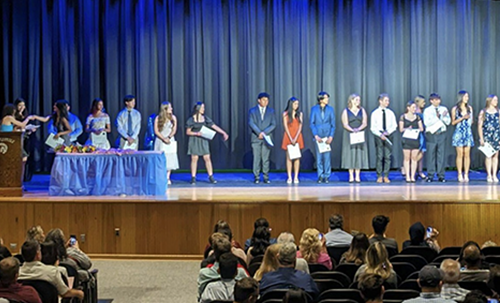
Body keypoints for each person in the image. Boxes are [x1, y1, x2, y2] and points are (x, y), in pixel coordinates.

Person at [18, 240, 84, 300]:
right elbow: (64, 293)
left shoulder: (17, 273)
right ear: (38, 254)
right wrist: (79, 293)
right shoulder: (52, 272)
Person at [186, 101, 229, 184]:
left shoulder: (205, 118)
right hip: (194, 140)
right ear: (198, 109)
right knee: (194, 159)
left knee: (207, 158)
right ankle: (193, 177)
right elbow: (188, 132)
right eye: (202, 108)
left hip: (203, 140)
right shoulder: (191, 119)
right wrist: (196, 133)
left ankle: (211, 176)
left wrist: (223, 133)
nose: (203, 109)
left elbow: (214, 126)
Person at [248, 92, 277, 184]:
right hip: (256, 138)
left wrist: (264, 133)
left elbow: (273, 124)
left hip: (266, 138)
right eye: (264, 100)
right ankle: (256, 177)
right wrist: (259, 133)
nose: (266, 102)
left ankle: (266, 177)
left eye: (267, 100)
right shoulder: (252, 111)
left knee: (265, 158)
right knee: (256, 158)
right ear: (259, 100)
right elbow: (251, 123)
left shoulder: (271, 111)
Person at [341, 94, 369, 183]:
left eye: (359, 100)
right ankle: (350, 175)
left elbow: (365, 123)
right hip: (349, 134)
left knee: (359, 153)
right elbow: (345, 124)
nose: (358, 102)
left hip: (359, 133)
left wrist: (358, 129)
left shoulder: (362, 110)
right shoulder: (346, 111)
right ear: (352, 100)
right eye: (356, 100)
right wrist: (352, 130)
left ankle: (357, 175)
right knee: (350, 153)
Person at [424, 93, 451, 182]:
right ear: (431, 101)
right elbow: (427, 123)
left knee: (441, 155)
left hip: (441, 133)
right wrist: (438, 117)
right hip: (431, 134)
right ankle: (430, 175)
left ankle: (441, 175)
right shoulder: (427, 110)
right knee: (431, 155)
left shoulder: (444, 109)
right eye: (435, 100)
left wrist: (443, 117)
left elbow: (448, 121)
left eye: (438, 99)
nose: (437, 101)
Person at [370, 93, 397, 183]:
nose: (387, 102)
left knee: (387, 156)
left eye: (388, 101)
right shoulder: (375, 113)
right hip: (379, 135)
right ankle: (379, 175)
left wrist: (388, 132)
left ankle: (386, 175)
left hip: (388, 134)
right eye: (386, 100)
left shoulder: (390, 113)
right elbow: (373, 127)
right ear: (380, 101)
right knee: (379, 156)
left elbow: (394, 125)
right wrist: (380, 134)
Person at [310, 91, 336, 183]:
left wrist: (331, 136)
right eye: (325, 98)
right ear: (320, 99)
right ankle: (320, 176)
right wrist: (315, 135)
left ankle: (327, 176)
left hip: (327, 136)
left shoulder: (330, 109)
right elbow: (312, 123)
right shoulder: (314, 109)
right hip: (318, 136)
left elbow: (333, 124)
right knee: (319, 157)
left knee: (327, 157)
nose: (327, 100)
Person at [154, 101, 179, 185]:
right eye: (170, 107)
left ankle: (168, 177)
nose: (171, 109)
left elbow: (174, 129)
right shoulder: (158, 118)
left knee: (170, 158)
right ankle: (162, 177)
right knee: (161, 159)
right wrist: (163, 138)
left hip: (170, 140)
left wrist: (168, 137)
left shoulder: (173, 118)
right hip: (160, 140)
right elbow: (156, 131)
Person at [451, 90, 474, 182]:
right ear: (461, 97)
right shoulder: (455, 109)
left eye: (467, 97)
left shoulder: (469, 108)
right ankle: (460, 173)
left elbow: (471, 121)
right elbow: (453, 122)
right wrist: (462, 118)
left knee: (467, 155)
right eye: (465, 97)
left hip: (467, 132)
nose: (467, 99)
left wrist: (469, 121)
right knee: (460, 154)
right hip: (459, 132)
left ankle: (466, 174)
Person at [400, 100, 424, 183]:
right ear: (408, 108)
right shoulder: (403, 117)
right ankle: (407, 176)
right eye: (413, 107)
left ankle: (412, 176)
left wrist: (416, 129)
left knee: (414, 158)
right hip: (406, 140)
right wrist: (407, 129)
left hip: (415, 139)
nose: (415, 109)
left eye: (415, 107)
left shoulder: (417, 117)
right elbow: (401, 129)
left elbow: (421, 128)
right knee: (407, 158)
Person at [281, 97, 304, 184]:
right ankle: (289, 177)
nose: (296, 106)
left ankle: (296, 177)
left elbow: (300, 127)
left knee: (297, 157)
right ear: (291, 104)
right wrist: (291, 138)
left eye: (297, 104)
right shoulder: (285, 114)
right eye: (295, 104)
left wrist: (296, 137)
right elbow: (286, 127)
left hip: (297, 136)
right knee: (289, 157)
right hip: (288, 136)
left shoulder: (300, 114)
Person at [14, 98, 38, 182]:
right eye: (20, 105)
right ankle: (17, 180)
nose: (22, 107)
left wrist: (30, 130)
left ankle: (22, 180)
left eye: (23, 105)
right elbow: (17, 127)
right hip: (17, 140)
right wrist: (26, 122)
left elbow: (24, 127)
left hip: (25, 139)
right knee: (20, 160)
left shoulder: (25, 115)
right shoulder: (13, 116)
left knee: (24, 160)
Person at [478, 95, 500, 182]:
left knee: (496, 156)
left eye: (497, 100)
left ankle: (495, 175)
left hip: (496, 136)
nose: (496, 102)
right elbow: (480, 126)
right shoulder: (483, 112)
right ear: (490, 101)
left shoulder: (498, 111)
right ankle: (489, 175)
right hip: (487, 136)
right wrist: (481, 138)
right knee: (488, 155)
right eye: (494, 100)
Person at [414, 95, 427, 180]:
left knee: (422, 152)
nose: (424, 104)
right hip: (417, 134)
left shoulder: (423, 112)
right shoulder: (415, 112)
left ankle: (420, 171)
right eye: (423, 102)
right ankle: (411, 167)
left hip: (423, 133)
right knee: (419, 152)